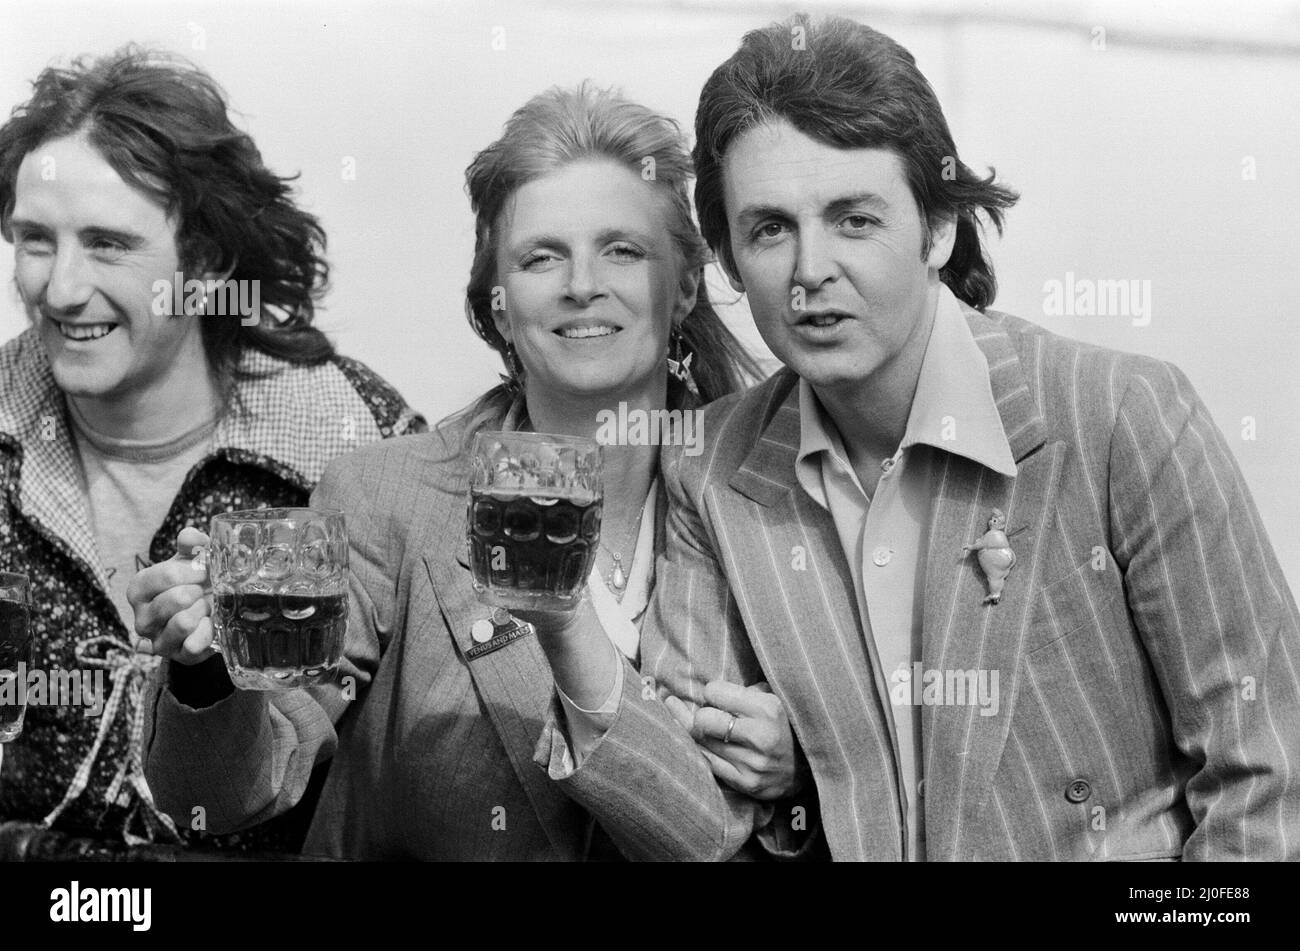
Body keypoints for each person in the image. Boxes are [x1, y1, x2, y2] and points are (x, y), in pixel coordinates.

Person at [531, 13, 1300, 861]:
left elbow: (1266, 779)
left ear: (938, 229)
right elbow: (703, 831)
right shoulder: (712, 468)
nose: (810, 269)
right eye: (770, 228)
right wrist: (570, 630)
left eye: (854, 218)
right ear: (724, 256)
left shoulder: (1119, 416)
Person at [133, 84, 800, 860]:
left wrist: (799, 774)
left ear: (684, 284)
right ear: (498, 301)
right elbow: (228, 793)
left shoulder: (762, 503)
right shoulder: (385, 497)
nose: (582, 283)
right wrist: (205, 670)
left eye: (622, 248)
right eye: (542, 256)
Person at [0, 47, 424, 851]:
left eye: (108, 244)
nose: (59, 289)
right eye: (33, 240)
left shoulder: (356, 439)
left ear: (205, 263)